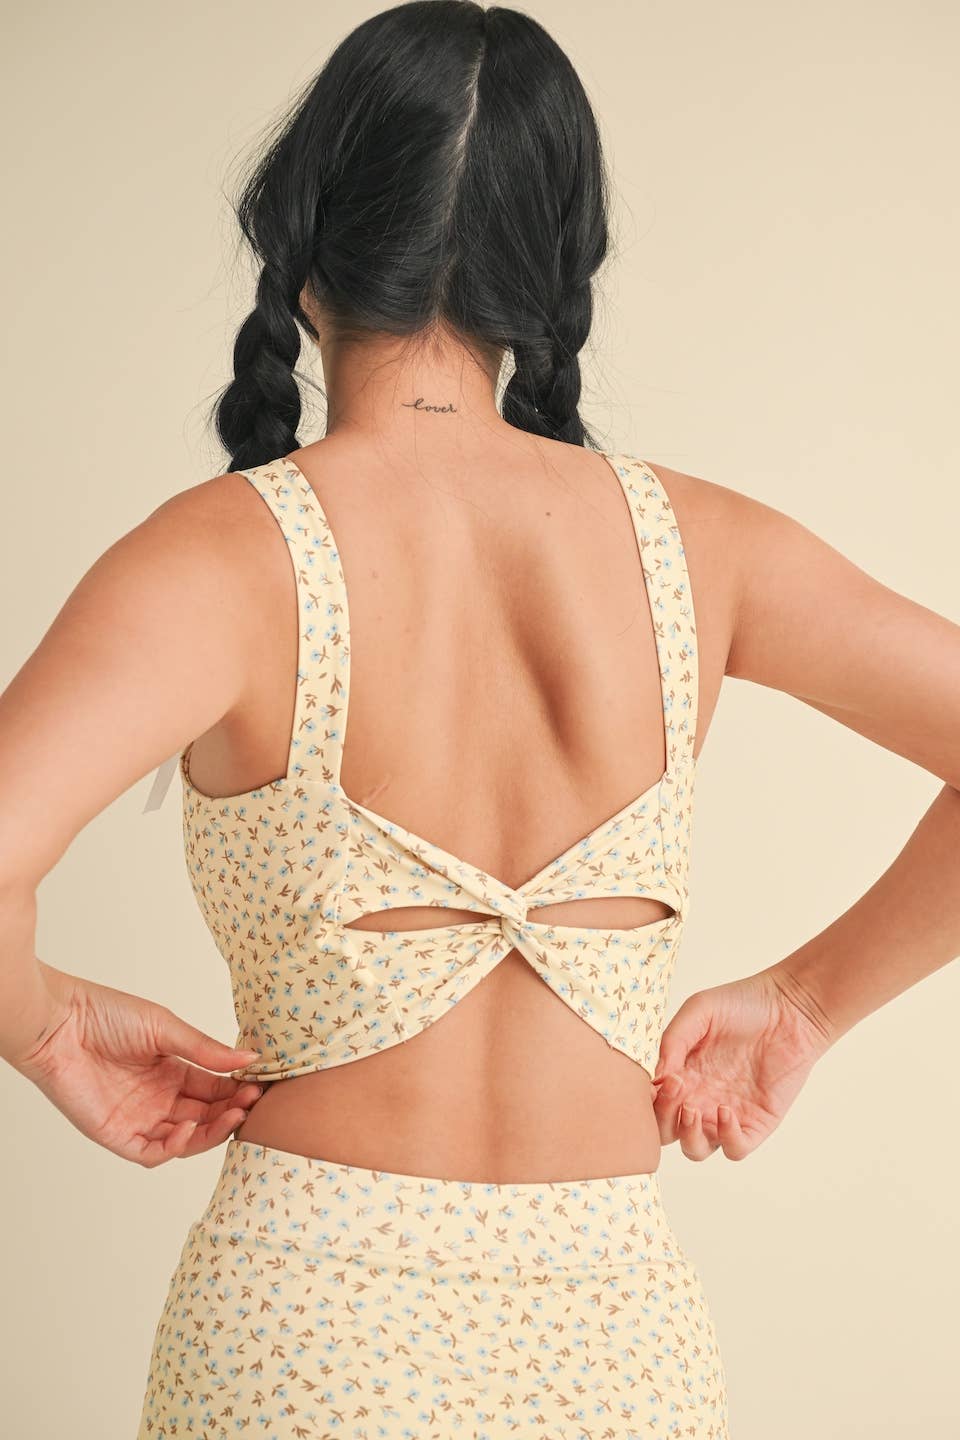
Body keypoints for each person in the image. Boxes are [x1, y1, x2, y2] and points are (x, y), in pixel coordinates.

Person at [1, 4, 956, 1437]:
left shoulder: (221, 558)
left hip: (304, 1329)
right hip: (619, 1339)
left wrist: (51, 1028)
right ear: (559, 268)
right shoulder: (704, 548)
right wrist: (809, 1005)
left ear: (302, 236)